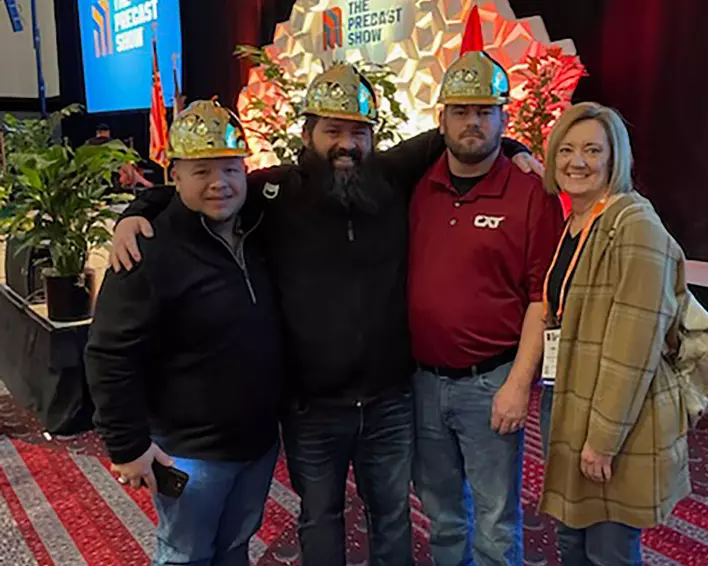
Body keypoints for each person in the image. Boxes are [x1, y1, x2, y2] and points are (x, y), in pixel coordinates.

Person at [108, 65, 540, 566]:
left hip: (389, 402)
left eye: (358, 132)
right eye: (332, 130)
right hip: (311, 408)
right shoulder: (272, 194)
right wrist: (140, 206)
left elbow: (466, 137)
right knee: (319, 517)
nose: (346, 144)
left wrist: (515, 150)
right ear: (308, 132)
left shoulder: (391, 176)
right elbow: (209, 185)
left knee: (392, 514)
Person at [85, 100, 282, 566]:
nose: (220, 183)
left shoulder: (257, 227)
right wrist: (127, 446)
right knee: (185, 555)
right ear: (175, 175)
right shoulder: (147, 252)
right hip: (190, 455)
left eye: (232, 169)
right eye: (202, 171)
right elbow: (109, 356)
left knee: (235, 547)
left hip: (257, 443)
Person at [408, 50, 564, 566]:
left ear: (503, 117)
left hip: (492, 384)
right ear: (442, 119)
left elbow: (544, 298)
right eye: (461, 111)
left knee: (496, 522)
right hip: (422, 384)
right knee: (443, 516)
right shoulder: (417, 187)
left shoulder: (530, 193)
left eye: (484, 111)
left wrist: (520, 385)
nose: (472, 122)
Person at [538, 101, 690, 565]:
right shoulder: (578, 221)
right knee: (572, 540)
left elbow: (634, 346)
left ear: (614, 158)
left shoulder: (635, 226)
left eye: (591, 150)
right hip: (566, 395)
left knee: (608, 550)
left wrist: (602, 438)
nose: (576, 162)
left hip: (615, 416)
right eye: (565, 150)